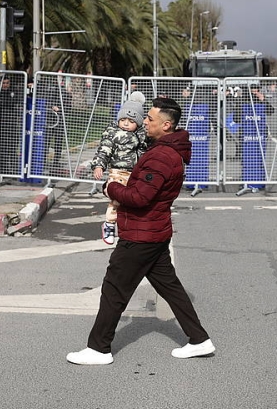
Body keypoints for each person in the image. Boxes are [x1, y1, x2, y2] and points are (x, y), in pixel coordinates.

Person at [67, 97, 215, 365]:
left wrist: (110, 187)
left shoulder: (161, 156)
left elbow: (139, 197)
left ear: (166, 125)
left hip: (141, 235)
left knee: (114, 289)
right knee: (170, 288)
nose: (143, 122)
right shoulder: (163, 150)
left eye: (150, 119)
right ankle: (199, 339)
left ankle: (98, 349)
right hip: (154, 232)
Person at [90, 92, 148, 245]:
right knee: (117, 200)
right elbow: (104, 150)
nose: (126, 123)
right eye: (123, 120)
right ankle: (109, 224)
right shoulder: (113, 133)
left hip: (135, 173)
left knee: (133, 201)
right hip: (118, 172)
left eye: (131, 121)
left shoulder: (142, 135)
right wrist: (98, 165)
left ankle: (128, 228)